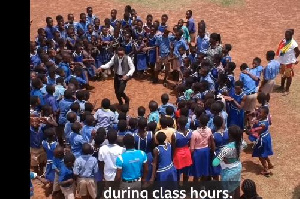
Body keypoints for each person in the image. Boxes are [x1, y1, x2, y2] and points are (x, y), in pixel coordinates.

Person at [212, 125, 243, 199]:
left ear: (229, 135)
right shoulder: (242, 143)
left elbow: (215, 163)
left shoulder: (225, 149)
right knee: (236, 185)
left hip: (228, 172)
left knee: (227, 192)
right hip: (237, 168)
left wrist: (223, 158)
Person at [190, 114, 214, 181]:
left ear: (199, 121)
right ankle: (203, 186)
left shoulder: (194, 133)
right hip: (206, 152)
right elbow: (210, 142)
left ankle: (196, 187)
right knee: (205, 170)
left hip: (197, 153)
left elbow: (192, 148)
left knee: (196, 172)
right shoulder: (209, 130)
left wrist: (191, 155)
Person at [252, 106, 274, 176]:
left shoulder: (261, 124)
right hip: (267, 137)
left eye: (260, 112)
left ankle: (266, 169)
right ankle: (269, 163)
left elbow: (256, 132)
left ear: (265, 114)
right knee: (264, 152)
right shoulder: (266, 119)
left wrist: (254, 124)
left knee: (260, 155)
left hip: (262, 140)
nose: (258, 113)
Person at [276, 29, 300, 95]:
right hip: (283, 60)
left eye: (287, 35)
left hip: (289, 62)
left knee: (288, 76)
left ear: (291, 35)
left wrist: (294, 59)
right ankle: (281, 86)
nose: (286, 36)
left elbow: (298, 52)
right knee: (283, 74)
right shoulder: (284, 40)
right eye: (285, 35)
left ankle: (287, 90)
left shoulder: (293, 43)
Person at [171, 116, 192, 181]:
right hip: (187, 153)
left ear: (178, 124)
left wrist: (171, 158)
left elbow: (173, 148)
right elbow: (189, 144)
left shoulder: (175, 135)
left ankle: (178, 188)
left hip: (178, 155)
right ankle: (185, 187)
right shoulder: (190, 132)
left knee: (177, 173)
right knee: (186, 172)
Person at [210, 116, 229, 181]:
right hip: (227, 153)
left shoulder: (213, 136)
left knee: (216, 172)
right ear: (222, 123)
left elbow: (213, 148)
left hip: (217, 154)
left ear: (214, 124)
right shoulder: (228, 133)